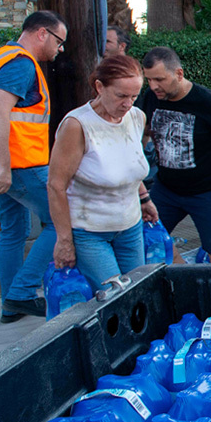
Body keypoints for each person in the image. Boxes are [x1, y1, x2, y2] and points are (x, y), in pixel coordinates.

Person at [0, 10, 66, 322]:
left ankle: (10, 307)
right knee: (61, 220)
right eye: (59, 41)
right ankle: (21, 293)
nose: (60, 49)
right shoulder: (21, 64)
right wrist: (4, 166)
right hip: (19, 164)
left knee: (14, 229)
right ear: (42, 33)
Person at [47, 55, 157, 290]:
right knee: (114, 296)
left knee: (139, 292)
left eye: (134, 96)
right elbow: (56, 185)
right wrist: (64, 240)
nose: (128, 104)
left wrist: (144, 198)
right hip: (90, 232)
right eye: (121, 96)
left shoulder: (136, 117)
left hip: (130, 226)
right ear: (99, 87)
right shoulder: (77, 125)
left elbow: (128, 165)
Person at [140, 46, 211, 264]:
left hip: (208, 191)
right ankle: (183, 276)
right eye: (149, 80)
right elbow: (143, 132)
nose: (153, 86)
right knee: (147, 236)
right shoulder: (150, 97)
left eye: (159, 79)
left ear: (179, 74)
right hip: (167, 189)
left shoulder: (206, 101)